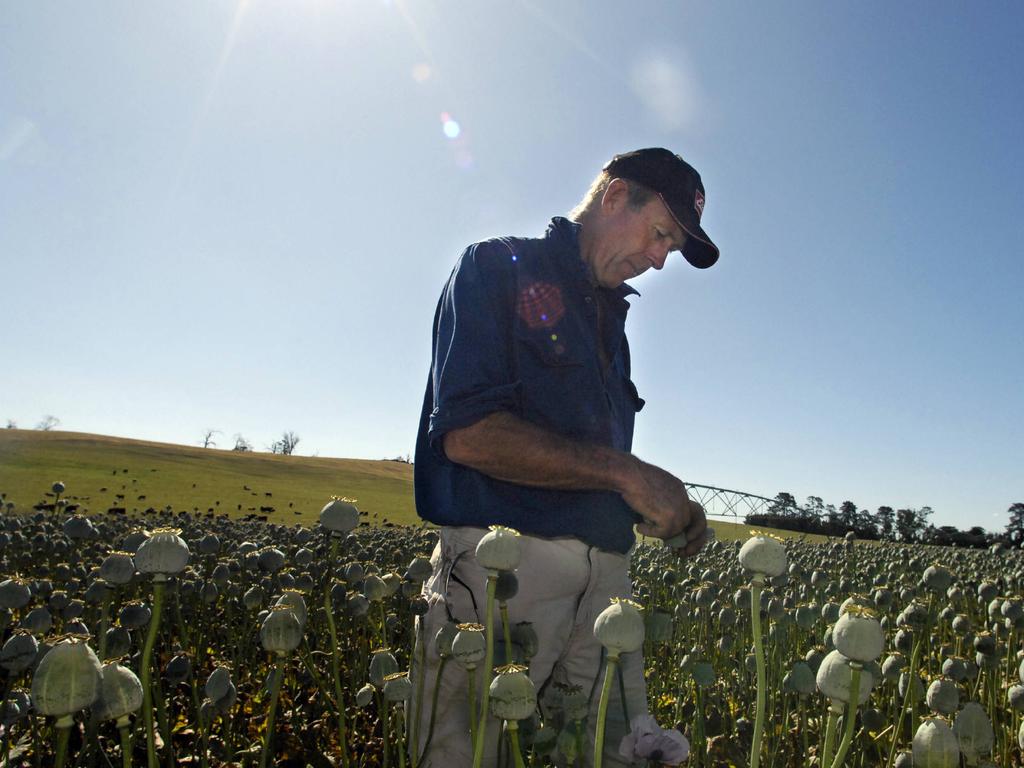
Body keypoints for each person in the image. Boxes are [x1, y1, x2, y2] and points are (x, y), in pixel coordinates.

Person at [410, 148, 718, 766]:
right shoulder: (497, 267)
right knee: (464, 756)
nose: (661, 260)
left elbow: (585, 470)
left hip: (604, 593)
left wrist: (665, 510)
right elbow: (469, 434)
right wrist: (627, 473)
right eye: (660, 234)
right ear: (613, 196)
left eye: (672, 249)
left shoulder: (613, 328)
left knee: (597, 753)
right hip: (503, 583)